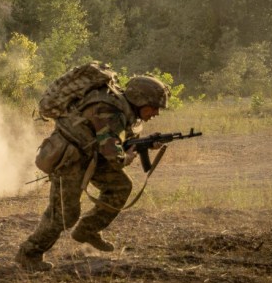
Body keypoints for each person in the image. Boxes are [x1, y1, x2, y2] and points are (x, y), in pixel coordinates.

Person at [15, 75, 171, 271]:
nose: (156, 113)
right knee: (64, 214)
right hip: (70, 159)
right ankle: (29, 253)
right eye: (154, 106)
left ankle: (87, 229)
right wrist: (127, 157)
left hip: (91, 157)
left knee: (120, 187)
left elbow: (118, 140)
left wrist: (145, 144)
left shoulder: (125, 111)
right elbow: (113, 153)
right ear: (139, 100)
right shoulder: (108, 110)